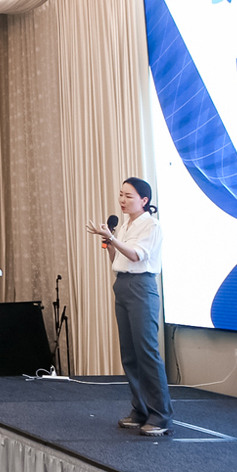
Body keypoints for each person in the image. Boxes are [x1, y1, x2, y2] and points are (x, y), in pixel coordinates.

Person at [88, 177, 171, 437]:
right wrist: (109, 242)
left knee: (146, 351)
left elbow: (136, 255)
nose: (122, 200)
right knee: (129, 353)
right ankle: (141, 410)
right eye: (121, 195)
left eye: (129, 196)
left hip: (141, 286)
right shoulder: (125, 224)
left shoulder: (151, 225)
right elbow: (118, 260)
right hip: (122, 284)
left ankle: (161, 415)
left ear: (144, 200)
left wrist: (112, 238)